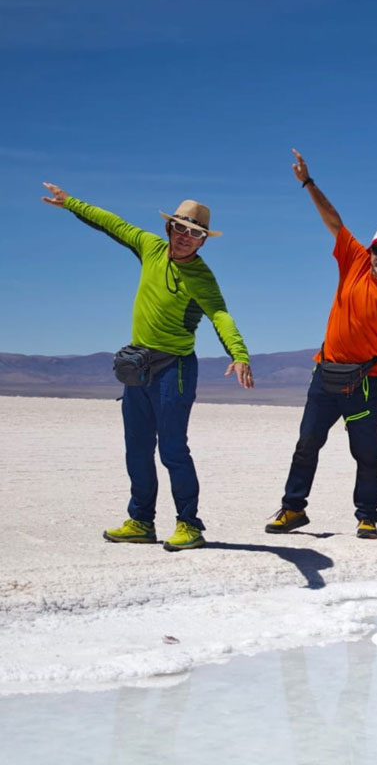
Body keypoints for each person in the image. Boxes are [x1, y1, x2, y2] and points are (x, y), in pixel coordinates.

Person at [41, 182, 254, 550]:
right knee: (137, 448)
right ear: (169, 227)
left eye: (196, 234)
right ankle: (141, 521)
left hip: (175, 369)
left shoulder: (201, 278)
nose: (186, 237)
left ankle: (189, 525)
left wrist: (239, 354)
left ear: (204, 241)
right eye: (181, 228)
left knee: (172, 449)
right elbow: (113, 224)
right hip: (139, 367)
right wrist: (71, 203)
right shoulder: (150, 247)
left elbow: (220, 315)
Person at [266, 150, 377, 539]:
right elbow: (334, 220)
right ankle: (293, 508)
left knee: (365, 452)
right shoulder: (355, 261)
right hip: (325, 375)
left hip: (364, 383)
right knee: (307, 444)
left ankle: (368, 516)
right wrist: (308, 183)